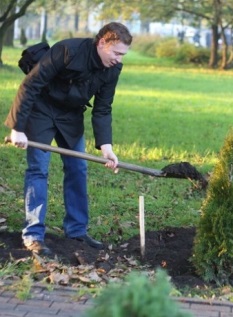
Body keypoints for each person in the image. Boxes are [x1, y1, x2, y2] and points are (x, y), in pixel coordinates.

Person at [4, 22, 133, 256]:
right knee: (38, 169)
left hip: (70, 116)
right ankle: (33, 234)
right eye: (116, 53)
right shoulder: (67, 50)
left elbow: (103, 108)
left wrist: (107, 147)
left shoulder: (113, 69)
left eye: (123, 55)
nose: (118, 59)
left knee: (78, 168)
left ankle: (76, 231)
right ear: (103, 42)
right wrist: (17, 128)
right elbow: (31, 84)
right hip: (41, 110)